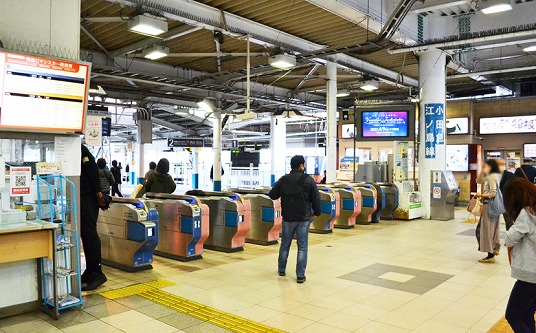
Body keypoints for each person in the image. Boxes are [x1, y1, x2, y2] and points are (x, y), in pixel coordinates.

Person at [269, 155, 321, 283]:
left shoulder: (284, 179)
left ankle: (282, 270)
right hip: (303, 218)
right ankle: (300, 275)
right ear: (301, 165)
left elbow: (272, 195)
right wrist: (317, 213)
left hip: (288, 217)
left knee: (285, 244)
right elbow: (316, 198)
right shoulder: (308, 180)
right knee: (302, 247)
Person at [503, 178, 536, 332]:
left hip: (530, 276)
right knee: (527, 314)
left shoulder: (527, 212)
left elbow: (510, 238)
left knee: (513, 315)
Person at [80, 145, 107, 291]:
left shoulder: (82, 150)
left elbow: (92, 171)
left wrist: (98, 194)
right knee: (85, 234)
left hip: (88, 199)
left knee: (90, 234)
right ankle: (90, 271)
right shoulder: (75, 149)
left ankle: (97, 272)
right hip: (82, 198)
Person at [475, 159, 502, 263]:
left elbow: (493, 193)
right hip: (493, 207)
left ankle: (490, 254)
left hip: (489, 207)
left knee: (487, 230)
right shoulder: (492, 176)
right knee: (493, 229)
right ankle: (494, 249)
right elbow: (478, 181)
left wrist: (480, 195)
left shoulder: (491, 177)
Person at [498, 159, 516, 230]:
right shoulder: (510, 175)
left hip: (504, 200)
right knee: (508, 221)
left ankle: (510, 236)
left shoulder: (510, 175)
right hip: (503, 200)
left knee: (508, 221)